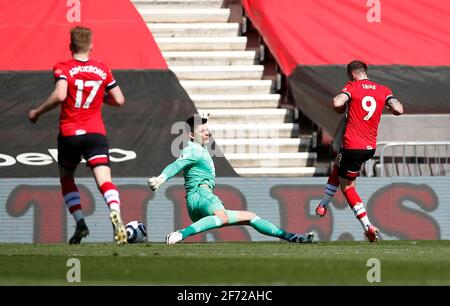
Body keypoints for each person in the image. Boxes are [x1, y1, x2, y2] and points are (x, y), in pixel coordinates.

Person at [28, 26, 127, 244]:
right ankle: (115, 212)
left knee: (67, 177)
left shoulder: (63, 67)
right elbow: (119, 100)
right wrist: (101, 98)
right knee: (104, 181)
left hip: (70, 133)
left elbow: (61, 95)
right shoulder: (102, 68)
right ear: (91, 46)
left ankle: (80, 222)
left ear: (70, 46)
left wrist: (37, 111)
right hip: (95, 133)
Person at [148, 115, 315, 244]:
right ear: (191, 135)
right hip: (201, 195)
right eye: (202, 130)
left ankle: (291, 237)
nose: (207, 132)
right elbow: (176, 165)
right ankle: (180, 234)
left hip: (196, 201)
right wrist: (161, 178)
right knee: (222, 217)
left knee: (250, 217)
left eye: (207, 129)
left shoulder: (199, 149)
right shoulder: (193, 150)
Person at [315, 60, 404, 242]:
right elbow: (398, 109)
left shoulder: (352, 87)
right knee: (338, 166)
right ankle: (322, 205)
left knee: (347, 186)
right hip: (369, 147)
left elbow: (336, 101)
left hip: (352, 145)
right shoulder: (383, 90)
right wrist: (389, 107)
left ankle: (368, 226)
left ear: (353, 75)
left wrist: (340, 106)